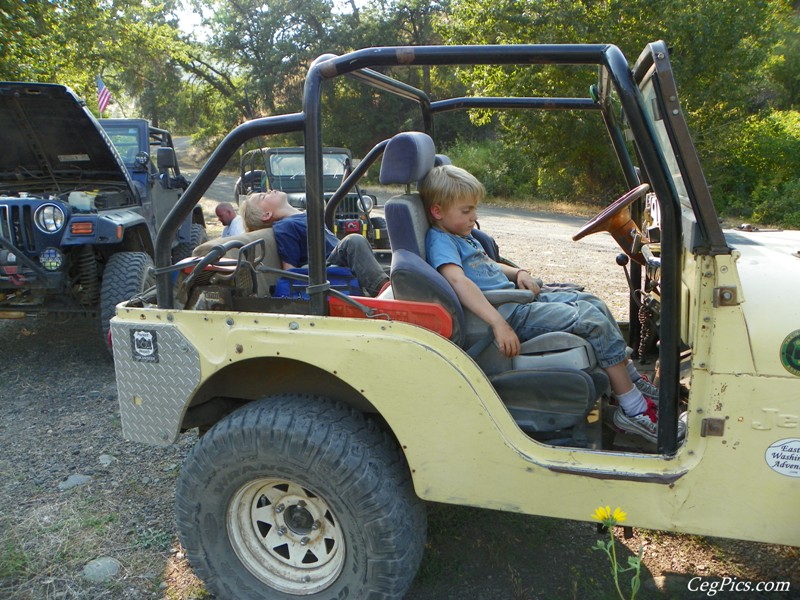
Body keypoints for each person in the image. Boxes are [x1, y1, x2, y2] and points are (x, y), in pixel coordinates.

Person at [418, 164, 682, 444]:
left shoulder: (461, 235)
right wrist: (498, 324)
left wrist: (518, 272)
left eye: (474, 209)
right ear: (437, 211)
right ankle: (632, 409)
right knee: (591, 321)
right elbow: (458, 282)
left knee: (592, 302)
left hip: (515, 301)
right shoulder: (441, 241)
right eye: (466, 211)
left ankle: (630, 380)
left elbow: (487, 265)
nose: (474, 217)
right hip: (507, 314)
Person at [241, 190, 390, 297]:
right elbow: (290, 272)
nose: (269, 191)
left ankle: (392, 286)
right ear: (266, 214)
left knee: (397, 271)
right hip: (328, 269)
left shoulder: (305, 215)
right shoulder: (285, 227)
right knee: (353, 241)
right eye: (263, 196)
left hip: (343, 263)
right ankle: (385, 294)